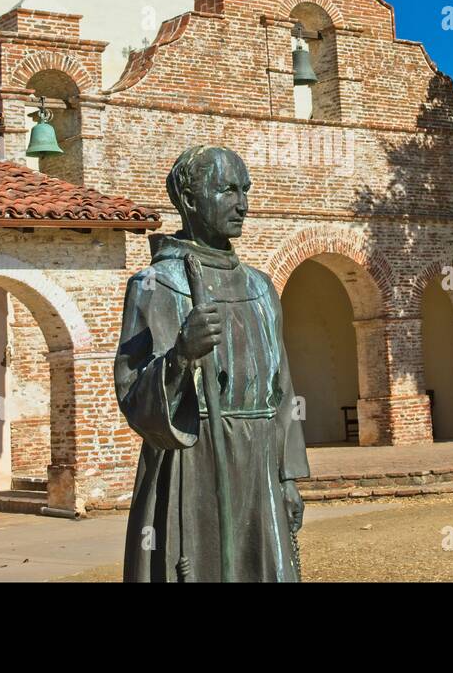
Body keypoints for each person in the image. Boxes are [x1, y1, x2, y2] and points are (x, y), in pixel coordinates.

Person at [115, 145, 309, 582]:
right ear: (188, 199)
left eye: (245, 190)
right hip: (192, 459)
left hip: (260, 464)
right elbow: (132, 392)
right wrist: (180, 355)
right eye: (226, 190)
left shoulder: (260, 288)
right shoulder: (156, 285)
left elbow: (283, 391)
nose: (243, 204)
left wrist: (288, 475)